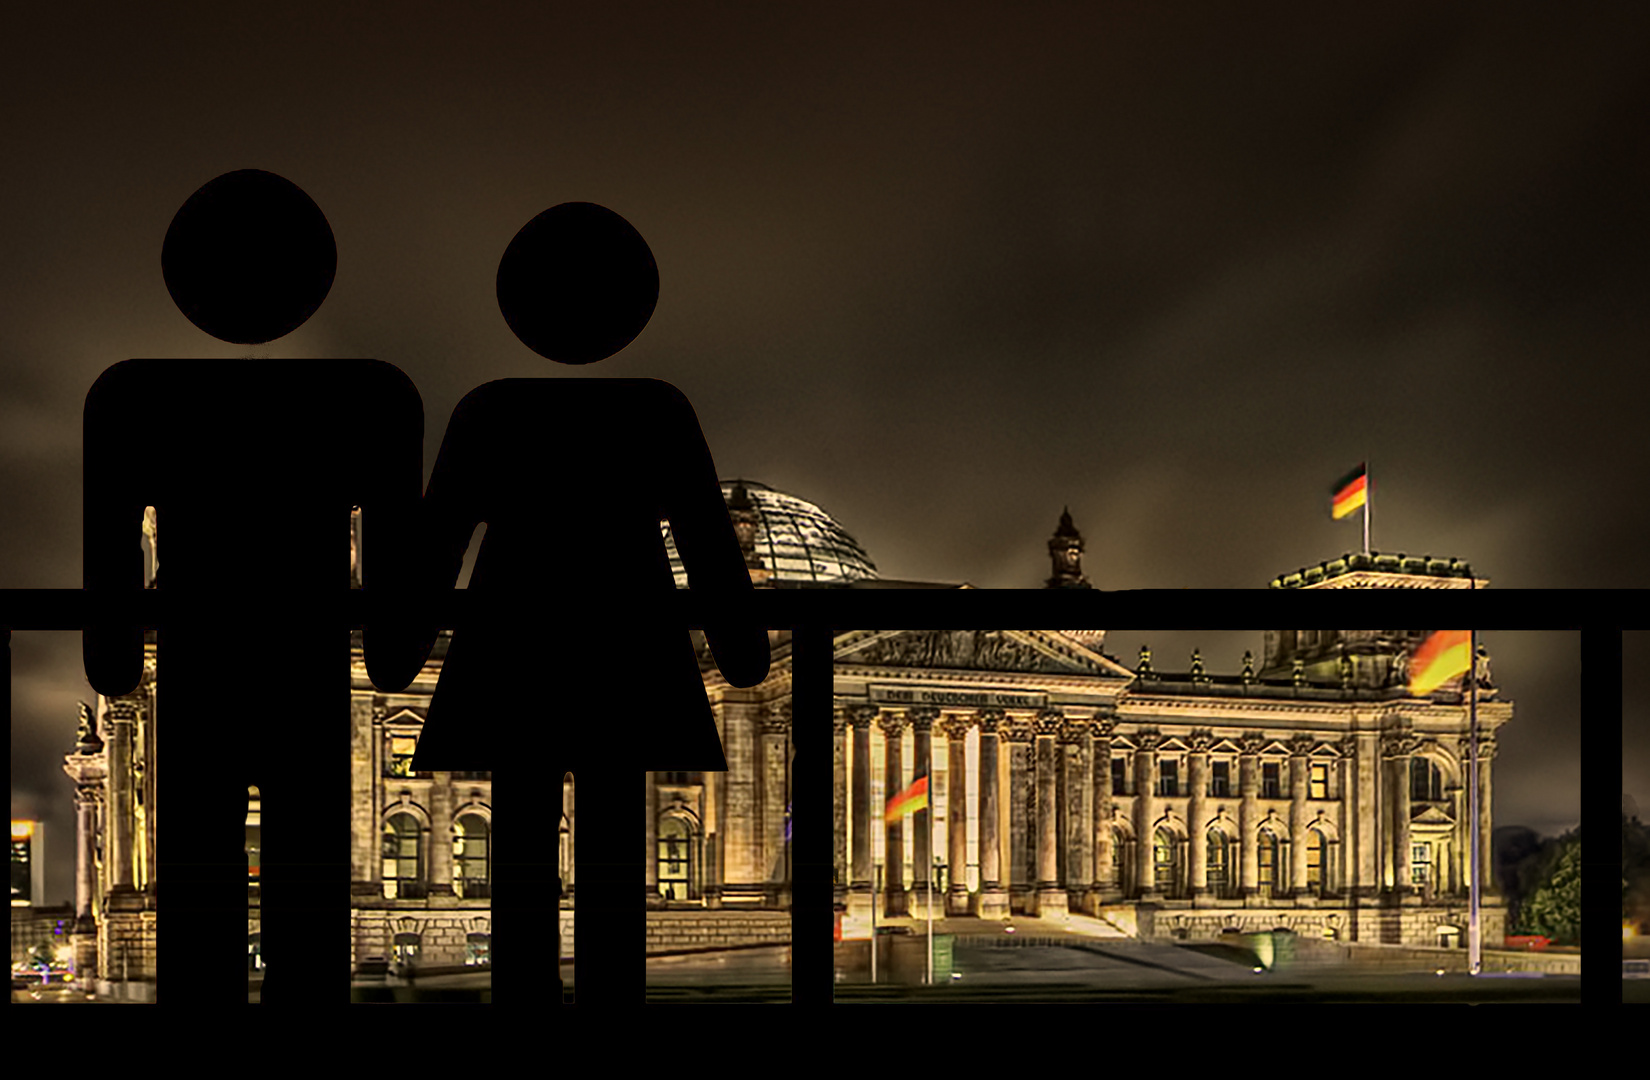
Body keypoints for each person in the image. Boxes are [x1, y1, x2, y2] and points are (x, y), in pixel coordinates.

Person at [402, 202, 769, 1004]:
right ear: (634, 305)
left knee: (520, 866)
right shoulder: (659, 412)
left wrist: (399, 645)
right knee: (614, 873)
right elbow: (715, 557)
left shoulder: (487, 412)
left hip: (510, 661)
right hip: (630, 664)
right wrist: (743, 652)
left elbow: (433, 557)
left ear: (517, 303)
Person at [82, 169, 425, 1005]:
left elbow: (109, 612)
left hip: (198, 664)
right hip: (309, 665)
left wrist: (121, 666)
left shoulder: (131, 396)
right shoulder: (374, 397)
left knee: (195, 863)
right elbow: (393, 604)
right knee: (314, 866)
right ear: (316, 272)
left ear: (184, 274)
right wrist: (387, 655)